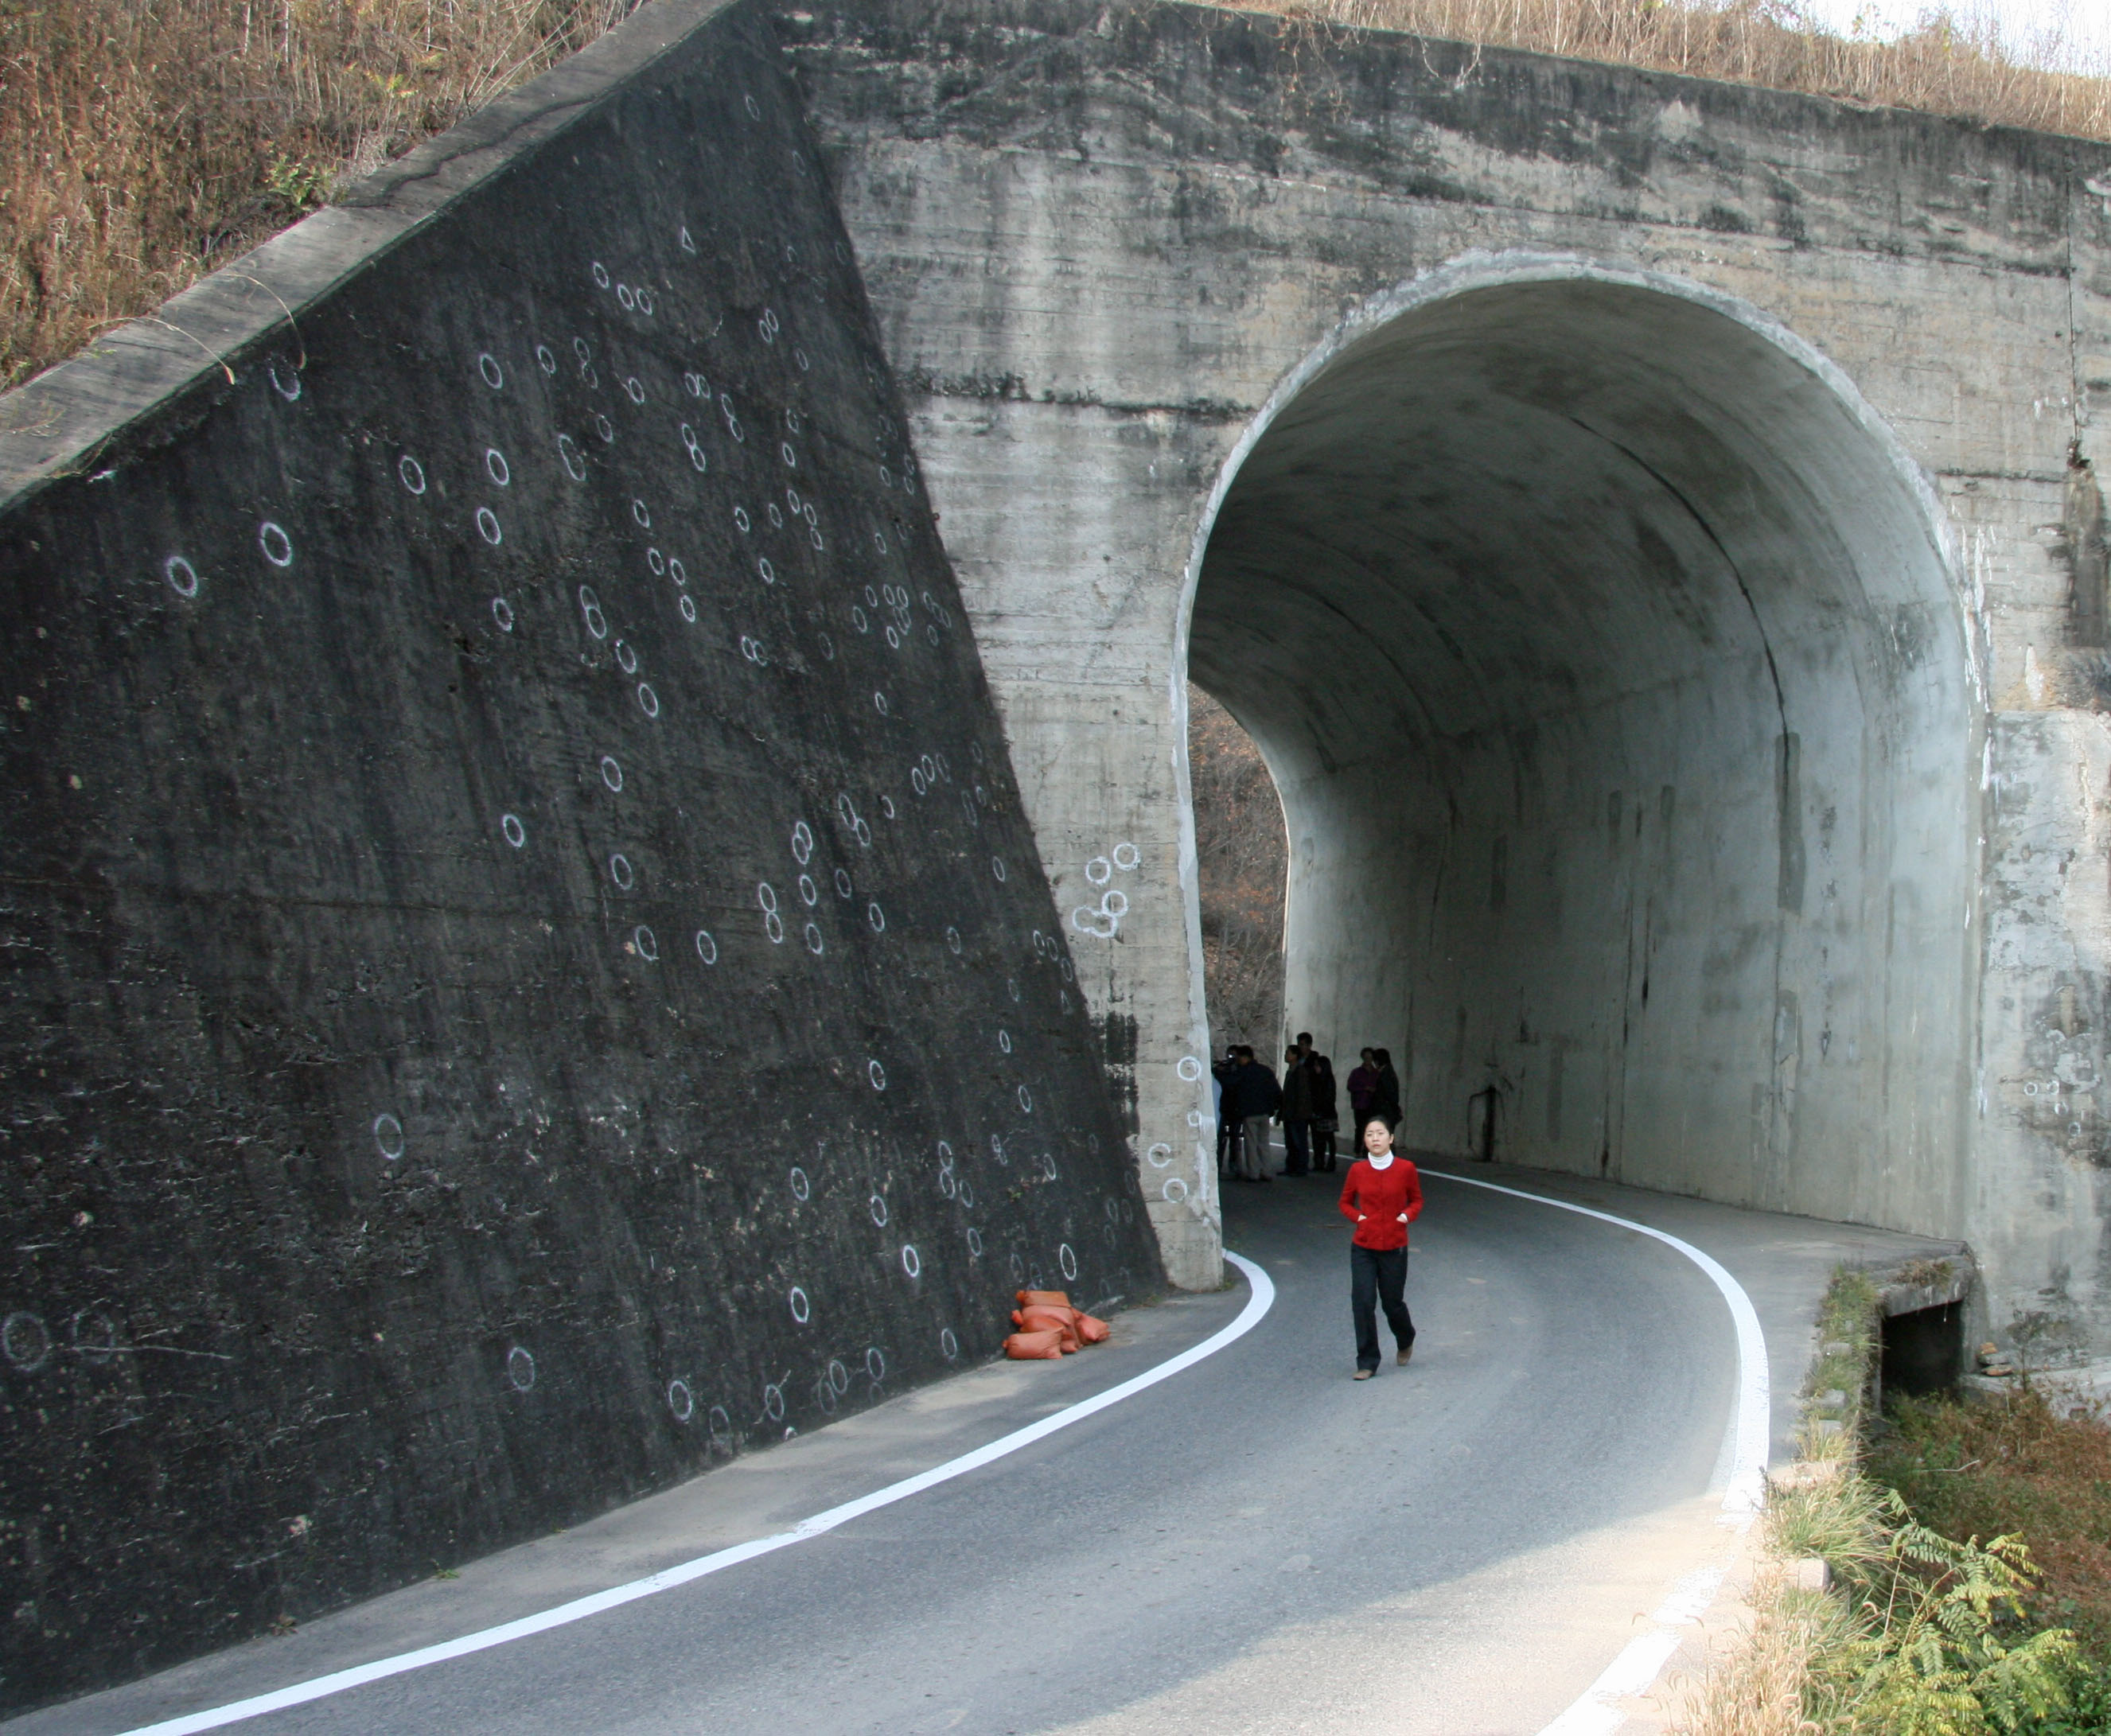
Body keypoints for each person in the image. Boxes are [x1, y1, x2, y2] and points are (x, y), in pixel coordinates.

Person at [1338, 1115, 1423, 1378]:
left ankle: (1406, 1336)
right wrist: (1359, 1217)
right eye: (1369, 1134)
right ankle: (1367, 1362)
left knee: (1392, 1303)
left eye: (1380, 1133)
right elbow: (1345, 1202)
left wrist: (1405, 1217)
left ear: (1391, 1138)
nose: (1375, 1138)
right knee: (1362, 1302)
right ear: (1364, 1140)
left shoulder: (1406, 1168)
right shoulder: (1357, 1171)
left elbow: (1417, 1201)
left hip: (1395, 1247)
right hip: (1363, 1246)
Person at [1233, 1045, 1280, 1182]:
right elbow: (1276, 1091)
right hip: (1265, 1113)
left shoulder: (1243, 1073)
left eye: (1239, 1058)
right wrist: (1272, 1107)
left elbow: (1236, 1091)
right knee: (1264, 1143)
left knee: (1251, 1143)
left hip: (1249, 1113)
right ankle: (1267, 1171)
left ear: (1244, 1057)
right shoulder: (1265, 1071)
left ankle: (1253, 1173)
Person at [1299, 1033, 1339, 1173]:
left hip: (1326, 1112)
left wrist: (1320, 1110)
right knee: (1320, 1138)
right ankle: (1320, 1161)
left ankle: (1328, 1161)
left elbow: (1328, 1097)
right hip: (1321, 1111)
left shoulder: (1325, 1080)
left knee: (1327, 1137)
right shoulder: (1319, 1078)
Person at [1276, 1044, 1313, 1176]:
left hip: (1297, 1113)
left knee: (1299, 1141)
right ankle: (1291, 1167)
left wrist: (1298, 1112)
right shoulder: (1291, 1071)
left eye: (1288, 1053)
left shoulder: (1300, 1072)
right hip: (1290, 1112)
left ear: (1295, 1055)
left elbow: (1302, 1094)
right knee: (1291, 1141)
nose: (1286, 1055)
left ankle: (1300, 1167)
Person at [1213, 1046, 1241, 1177]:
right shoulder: (1223, 1069)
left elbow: (1232, 1083)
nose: (1231, 1058)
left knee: (1234, 1138)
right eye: (1229, 1055)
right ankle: (1217, 1164)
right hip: (1225, 1107)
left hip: (1235, 1107)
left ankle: (1233, 1164)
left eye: (1234, 1056)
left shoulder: (1241, 1071)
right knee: (1220, 1138)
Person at [1346, 1048, 1378, 1141]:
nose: (1368, 1059)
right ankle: (1358, 1149)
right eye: (1366, 1057)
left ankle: (1367, 1149)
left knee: (1371, 1129)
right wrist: (1364, 1088)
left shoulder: (1377, 1073)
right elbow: (1350, 1086)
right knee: (1360, 1128)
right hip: (1359, 1104)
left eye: (1370, 1057)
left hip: (1372, 1105)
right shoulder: (1356, 1072)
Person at [1372, 1046, 1403, 1127]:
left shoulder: (1385, 1074)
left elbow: (1389, 1093)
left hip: (1384, 1111)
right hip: (1387, 1111)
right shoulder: (1389, 1072)